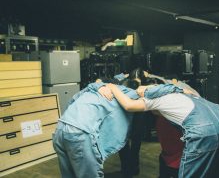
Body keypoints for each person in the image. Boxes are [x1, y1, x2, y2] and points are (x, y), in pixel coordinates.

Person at [52, 76, 181, 178]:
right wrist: (179, 89)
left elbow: (73, 99)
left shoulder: (96, 88)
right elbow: (155, 92)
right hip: (79, 134)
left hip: (60, 128)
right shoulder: (130, 95)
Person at [106, 83, 219, 178]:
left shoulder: (156, 97)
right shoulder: (183, 93)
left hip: (203, 133)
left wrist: (112, 86)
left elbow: (129, 105)